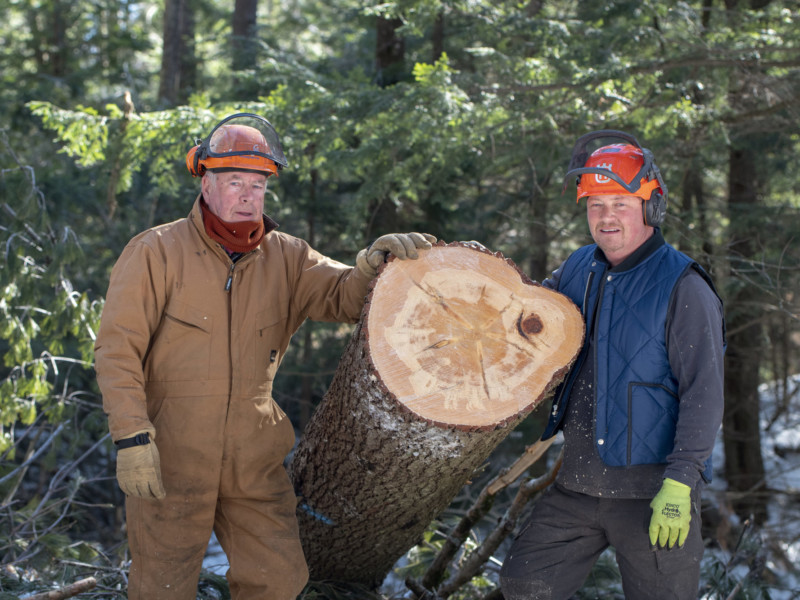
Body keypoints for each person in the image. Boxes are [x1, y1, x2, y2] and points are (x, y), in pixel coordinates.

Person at [94, 113, 436, 600]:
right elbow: (117, 348)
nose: (247, 195)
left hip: (253, 457)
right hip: (171, 454)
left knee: (278, 580)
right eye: (234, 182)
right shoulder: (156, 251)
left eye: (257, 184)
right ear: (206, 183)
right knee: (161, 588)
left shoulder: (289, 256)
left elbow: (343, 295)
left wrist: (371, 265)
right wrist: (131, 437)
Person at [499, 130, 725, 600]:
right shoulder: (580, 266)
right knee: (523, 583)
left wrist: (680, 484)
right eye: (595, 204)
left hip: (652, 493)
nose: (606, 217)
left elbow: (704, 393)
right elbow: (531, 320)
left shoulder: (684, 287)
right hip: (578, 485)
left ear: (650, 207)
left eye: (620, 203)